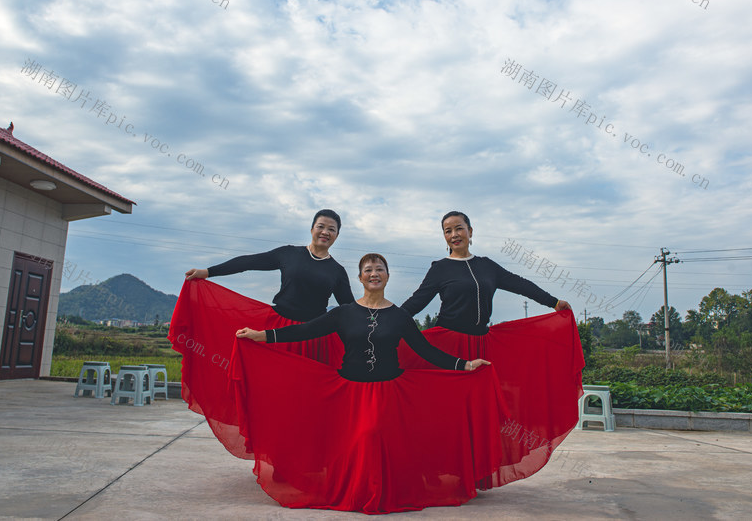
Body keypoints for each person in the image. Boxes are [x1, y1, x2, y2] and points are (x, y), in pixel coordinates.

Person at [230, 253, 507, 514]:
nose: (374, 274)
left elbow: (427, 352)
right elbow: (304, 331)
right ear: (360, 278)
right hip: (349, 393)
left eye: (379, 270)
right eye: (368, 270)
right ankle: (354, 491)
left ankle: (384, 492)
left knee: (373, 435)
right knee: (355, 444)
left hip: (389, 393)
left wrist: (465, 365)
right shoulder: (344, 312)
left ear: (387, 276)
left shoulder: (400, 316)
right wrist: (262, 336)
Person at [400, 211, 585, 489]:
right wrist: (388, 321)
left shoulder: (488, 267)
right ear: (444, 237)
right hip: (450, 348)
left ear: (471, 232)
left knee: (481, 414)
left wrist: (553, 302)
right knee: (451, 413)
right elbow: (417, 302)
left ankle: (474, 472)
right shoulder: (440, 268)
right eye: (448, 231)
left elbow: (520, 284)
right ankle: (442, 470)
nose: (454, 235)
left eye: (459, 228)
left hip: (483, 348)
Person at [171, 209, 355, 459]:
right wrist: (209, 272)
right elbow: (248, 262)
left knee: (305, 403)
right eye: (321, 226)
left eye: (332, 229)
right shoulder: (289, 254)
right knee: (275, 399)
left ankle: (304, 459)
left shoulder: (336, 271)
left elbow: (349, 311)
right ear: (312, 228)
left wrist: (376, 328)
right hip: (275, 335)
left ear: (337, 236)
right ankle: (276, 457)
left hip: (312, 339)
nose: (325, 232)